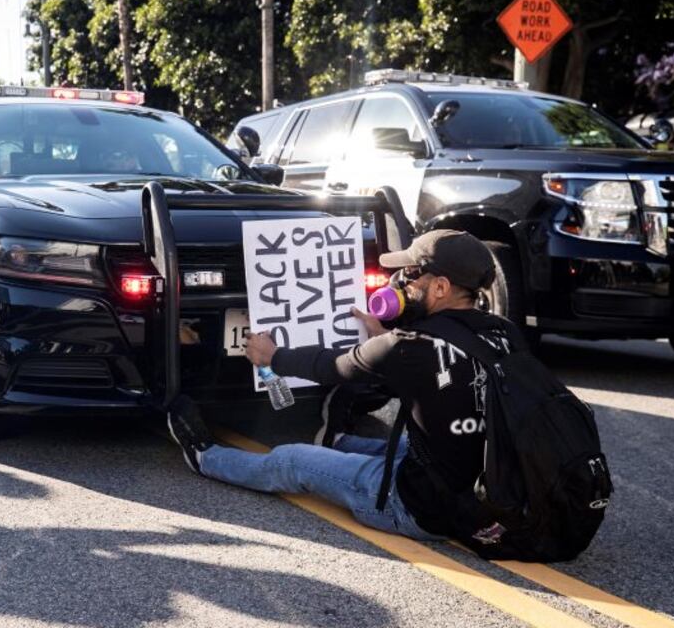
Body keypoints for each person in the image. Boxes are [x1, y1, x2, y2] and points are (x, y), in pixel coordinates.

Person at [168, 229, 514, 541]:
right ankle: (337, 441)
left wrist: (272, 356)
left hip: (414, 508)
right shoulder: (503, 333)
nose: (403, 282)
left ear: (440, 287)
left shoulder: (412, 345)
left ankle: (205, 457)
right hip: (478, 492)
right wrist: (383, 339)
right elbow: (427, 376)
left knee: (293, 461)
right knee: (416, 442)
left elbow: (335, 366)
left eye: (412, 274)